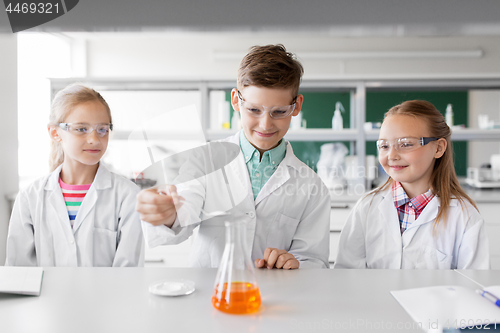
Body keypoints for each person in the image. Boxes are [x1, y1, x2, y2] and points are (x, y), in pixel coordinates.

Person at [137, 44, 330, 269]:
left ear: (296, 106)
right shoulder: (206, 159)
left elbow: (314, 260)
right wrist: (168, 213)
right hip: (210, 295)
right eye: (254, 110)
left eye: (278, 112)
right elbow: (184, 212)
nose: (265, 124)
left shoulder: (311, 185)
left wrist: (295, 263)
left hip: (275, 298)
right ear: (236, 101)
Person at [334, 100, 489, 269]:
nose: (392, 155)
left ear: (438, 148)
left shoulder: (464, 216)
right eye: (384, 146)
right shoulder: (366, 208)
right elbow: (346, 277)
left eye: (406, 144)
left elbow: (474, 285)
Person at [5, 83, 144, 267]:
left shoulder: (128, 195)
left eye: (102, 129)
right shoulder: (30, 197)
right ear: (55, 133)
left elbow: (129, 273)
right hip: (47, 297)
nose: (94, 139)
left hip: (109, 296)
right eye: (81, 129)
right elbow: (18, 274)